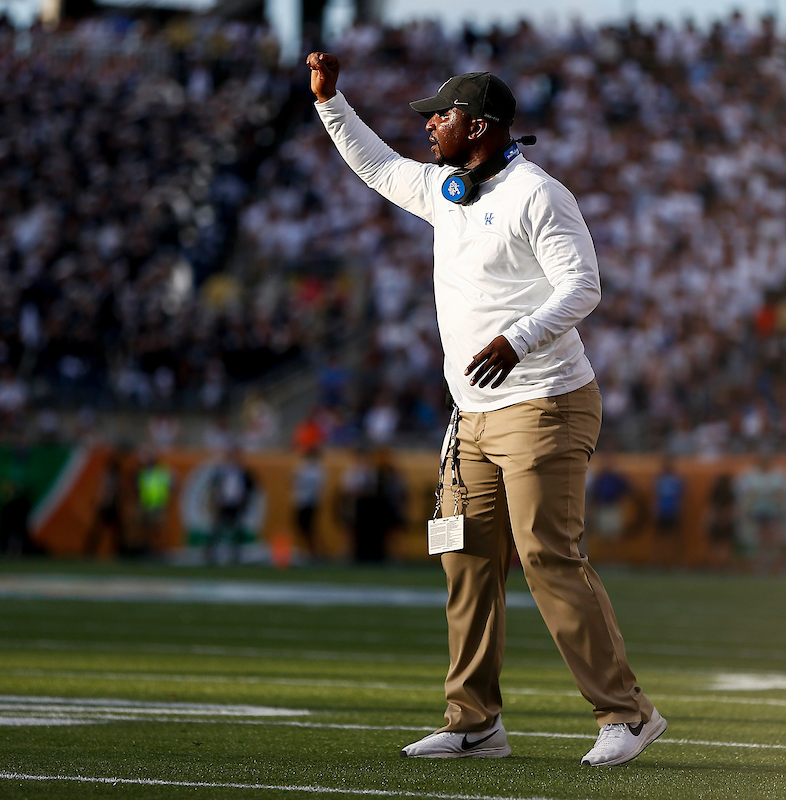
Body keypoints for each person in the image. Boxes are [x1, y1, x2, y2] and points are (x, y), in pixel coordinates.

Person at [307, 53, 666, 767]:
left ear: (477, 125)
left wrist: (517, 337)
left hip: (544, 401)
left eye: (440, 115)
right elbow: (378, 167)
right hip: (469, 415)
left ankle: (627, 714)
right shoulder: (447, 189)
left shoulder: (538, 194)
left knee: (546, 556)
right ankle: (473, 723)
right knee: (465, 558)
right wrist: (330, 102)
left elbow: (583, 285)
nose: (429, 126)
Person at [652, 453, 686, 568]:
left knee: (675, 538)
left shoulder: (677, 479)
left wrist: (680, 510)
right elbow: (655, 496)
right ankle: (658, 561)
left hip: (673, 511)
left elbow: (681, 497)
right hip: (662, 511)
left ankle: (676, 561)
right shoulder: (659, 479)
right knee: (660, 537)